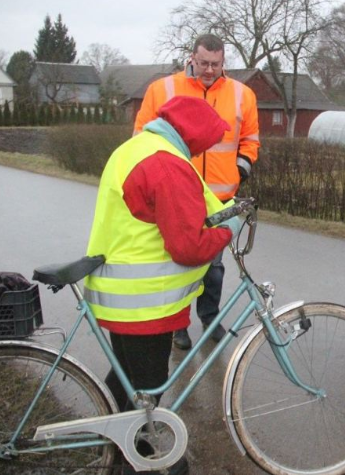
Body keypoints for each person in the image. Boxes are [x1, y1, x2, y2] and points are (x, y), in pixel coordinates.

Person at [85, 96, 242, 473]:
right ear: (194, 135)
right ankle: (138, 462)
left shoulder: (137, 147)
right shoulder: (167, 164)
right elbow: (188, 246)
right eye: (208, 140)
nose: (208, 147)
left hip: (118, 296)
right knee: (147, 393)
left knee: (124, 380)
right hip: (145, 305)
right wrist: (226, 233)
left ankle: (113, 449)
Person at [134, 34, 260, 350]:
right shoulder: (161, 89)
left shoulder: (243, 94)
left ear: (223, 62)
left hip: (218, 196)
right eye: (203, 63)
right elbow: (140, 137)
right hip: (175, 196)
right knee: (178, 265)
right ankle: (178, 326)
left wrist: (241, 168)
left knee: (213, 266)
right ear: (192, 57)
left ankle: (210, 317)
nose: (208, 69)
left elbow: (250, 139)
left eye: (215, 64)